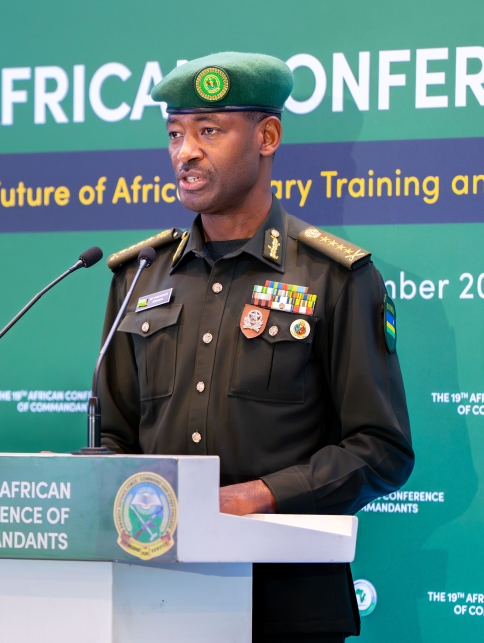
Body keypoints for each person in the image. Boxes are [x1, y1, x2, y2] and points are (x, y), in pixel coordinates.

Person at [98, 52, 414, 642]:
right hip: (151, 596)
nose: (184, 152)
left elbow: (381, 449)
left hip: (286, 605)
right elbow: (111, 436)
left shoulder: (335, 277)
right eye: (175, 133)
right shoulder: (137, 276)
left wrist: (262, 495)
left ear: (267, 136)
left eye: (208, 131)